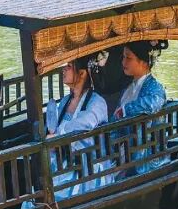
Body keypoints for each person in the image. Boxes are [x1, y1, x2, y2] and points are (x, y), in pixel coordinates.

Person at [45, 55, 112, 199]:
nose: (64, 69)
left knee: (56, 194)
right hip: (64, 163)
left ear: (82, 73)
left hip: (88, 167)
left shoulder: (97, 102)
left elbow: (87, 121)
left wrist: (60, 135)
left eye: (69, 66)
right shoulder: (65, 102)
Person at [113, 40, 169, 174]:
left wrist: (125, 110)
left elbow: (153, 103)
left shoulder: (154, 87)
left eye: (128, 58)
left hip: (146, 157)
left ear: (143, 62)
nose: (123, 62)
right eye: (123, 57)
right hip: (126, 151)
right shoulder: (128, 88)